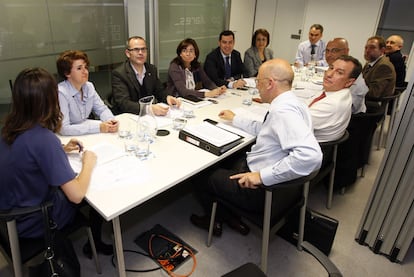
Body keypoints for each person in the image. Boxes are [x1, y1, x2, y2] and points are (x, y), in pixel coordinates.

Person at [190, 59, 322, 236]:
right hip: (281, 188)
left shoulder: (283, 112)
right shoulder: (295, 104)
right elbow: (267, 129)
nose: (257, 86)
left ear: (269, 83)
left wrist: (261, 176)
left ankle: (216, 220)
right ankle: (229, 215)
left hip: (259, 192)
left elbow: (311, 156)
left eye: (258, 81)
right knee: (227, 159)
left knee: (200, 173)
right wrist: (235, 119)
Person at [0, 68, 112, 257]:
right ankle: (95, 244)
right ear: (49, 100)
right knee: (91, 196)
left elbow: (26, 154)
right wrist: (88, 164)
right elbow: (76, 195)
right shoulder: (44, 139)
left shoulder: (8, 129)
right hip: (33, 220)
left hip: (8, 215)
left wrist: (61, 148)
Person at [111, 36, 181, 115]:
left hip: (148, 117)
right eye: (136, 49)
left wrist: (167, 98)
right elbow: (124, 104)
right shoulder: (119, 73)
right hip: (128, 116)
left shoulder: (151, 69)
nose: (141, 53)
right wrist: (149, 109)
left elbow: (159, 91)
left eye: (143, 49)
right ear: (128, 53)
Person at [57, 50, 119, 136]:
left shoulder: (89, 86)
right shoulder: (61, 92)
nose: (85, 71)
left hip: (85, 131)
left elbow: (102, 109)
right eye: (79, 68)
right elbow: (63, 129)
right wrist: (98, 128)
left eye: (85, 67)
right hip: (68, 138)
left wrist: (110, 120)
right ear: (67, 73)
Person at [309, 55, 362, 142]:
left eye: (339, 72)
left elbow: (292, 124)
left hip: (307, 148)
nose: (329, 74)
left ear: (349, 82)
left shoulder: (331, 104)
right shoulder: (339, 93)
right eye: (331, 68)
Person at [325, 38, 368, 114]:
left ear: (346, 51)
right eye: (327, 51)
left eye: (334, 51)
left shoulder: (352, 72)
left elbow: (348, 110)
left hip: (349, 117)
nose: (329, 55)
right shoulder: (342, 66)